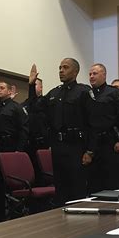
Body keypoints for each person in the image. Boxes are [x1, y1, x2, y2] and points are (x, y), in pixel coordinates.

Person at [30, 59, 90, 206]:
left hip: (77, 146)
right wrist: (31, 85)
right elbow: (36, 106)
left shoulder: (83, 91)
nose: (61, 70)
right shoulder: (55, 92)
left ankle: (80, 222)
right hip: (58, 146)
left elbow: (91, 123)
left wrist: (90, 150)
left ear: (75, 71)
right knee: (60, 188)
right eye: (59, 68)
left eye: (65, 67)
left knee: (77, 187)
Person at [85, 64, 119, 193]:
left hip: (111, 143)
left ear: (104, 75)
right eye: (90, 74)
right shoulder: (87, 94)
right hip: (93, 144)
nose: (91, 76)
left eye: (95, 73)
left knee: (111, 182)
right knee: (93, 182)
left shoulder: (114, 93)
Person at [0, 81, 29, 222]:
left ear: (9, 91)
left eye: (2, 88)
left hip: (10, 148)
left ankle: (15, 214)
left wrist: (19, 150)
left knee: (12, 183)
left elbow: (23, 130)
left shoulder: (16, 108)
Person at [23, 65, 49, 185]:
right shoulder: (24, 104)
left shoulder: (45, 102)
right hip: (28, 144)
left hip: (42, 143)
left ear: (41, 87)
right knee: (30, 174)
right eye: (32, 84)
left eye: (35, 84)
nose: (33, 86)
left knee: (42, 173)